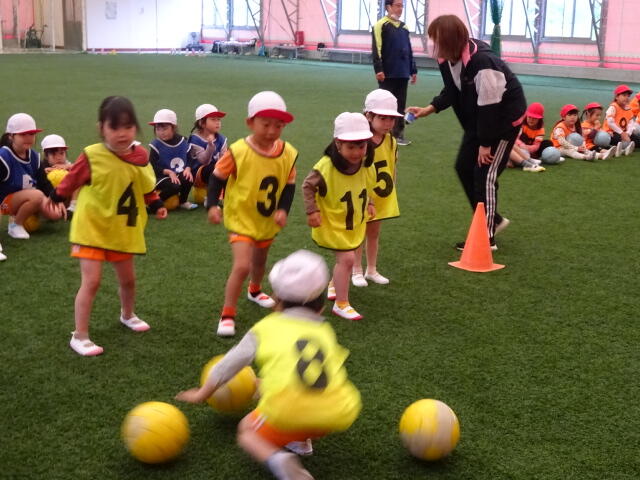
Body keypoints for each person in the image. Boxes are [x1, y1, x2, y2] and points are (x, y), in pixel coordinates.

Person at [176, 249, 361, 480]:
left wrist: (201, 394)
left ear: (277, 300)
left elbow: (227, 366)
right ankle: (301, 442)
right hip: (337, 411)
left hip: (289, 412)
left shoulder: (265, 329)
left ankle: (281, 461)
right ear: (320, 307)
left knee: (247, 430)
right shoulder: (323, 330)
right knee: (295, 393)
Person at [46, 96, 167, 356]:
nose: (122, 133)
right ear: (101, 128)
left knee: (129, 280)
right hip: (91, 229)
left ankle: (127, 314)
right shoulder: (92, 155)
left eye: (128, 126)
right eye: (115, 127)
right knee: (92, 282)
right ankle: (79, 335)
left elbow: (146, 187)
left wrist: (157, 205)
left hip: (122, 230)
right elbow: (71, 180)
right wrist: (56, 197)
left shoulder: (140, 157)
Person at [406, 15, 526, 251]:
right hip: (478, 121)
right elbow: (452, 89)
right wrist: (429, 108)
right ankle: (493, 220)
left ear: (450, 40)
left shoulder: (482, 62)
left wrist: (485, 144)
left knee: (485, 174)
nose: (432, 44)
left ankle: (486, 237)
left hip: (502, 122)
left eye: (436, 39)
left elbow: (490, 106)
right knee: (463, 167)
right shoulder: (446, 59)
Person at [207, 91, 297, 337]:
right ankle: (227, 314)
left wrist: (283, 210)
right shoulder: (238, 151)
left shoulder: (288, 153)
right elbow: (217, 178)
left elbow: (289, 186)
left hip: (266, 219)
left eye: (278, 126)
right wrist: (212, 205)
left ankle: (255, 290)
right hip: (241, 219)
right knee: (242, 266)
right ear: (250, 123)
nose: (271, 131)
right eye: (265, 124)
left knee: (260, 260)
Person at [302, 112, 375, 321]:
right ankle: (341, 304)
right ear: (338, 144)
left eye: (361, 146)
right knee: (348, 259)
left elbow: (367, 185)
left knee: (346, 258)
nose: (357, 152)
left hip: (353, 222)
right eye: (351, 147)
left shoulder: (365, 164)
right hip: (333, 223)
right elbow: (307, 186)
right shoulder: (326, 166)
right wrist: (312, 210)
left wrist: (370, 202)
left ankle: (335, 284)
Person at [352, 89, 402, 287]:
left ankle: (371, 269)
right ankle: (356, 270)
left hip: (380, 197)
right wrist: (365, 198)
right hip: (362, 197)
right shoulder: (361, 143)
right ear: (368, 116)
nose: (388, 123)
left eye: (391, 119)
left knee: (374, 234)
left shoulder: (391, 141)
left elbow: (392, 166)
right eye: (383, 118)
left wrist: (392, 187)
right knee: (358, 233)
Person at [0, 113, 64, 240]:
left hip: (25, 197)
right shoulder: (3, 157)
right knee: (37, 195)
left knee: (55, 213)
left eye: (32, 134)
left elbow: (43, 182)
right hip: (3, 202)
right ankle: (16, 225)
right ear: (11, 136)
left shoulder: (34, 156)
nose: (29, 138)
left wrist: (56, 198)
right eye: (23, 134)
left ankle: (26, 214)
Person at [372, 0, 417, 146]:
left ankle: (397, 135)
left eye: (402, 6)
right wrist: (378, 69)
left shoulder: (404, 27)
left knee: (400, 105)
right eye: (397, 5)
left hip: (403, 73)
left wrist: (413, 70)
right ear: (388, 7)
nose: (400, 8)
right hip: (387, 73)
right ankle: (379, 132)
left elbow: (409, 50)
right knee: (384, 105)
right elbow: (376, 48)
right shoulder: (381, 25)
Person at [148, 108, 198, 211]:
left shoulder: (184, 141)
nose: (161, 132)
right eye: (158, 129)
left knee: (188, 177)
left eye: (165, 129)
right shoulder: (156, 145)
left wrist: (188, 168)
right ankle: (153, 205)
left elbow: (190, 158)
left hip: (177, 174)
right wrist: (168, 172)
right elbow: (152, 167)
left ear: (174, 127)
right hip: (160, 177)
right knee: (174, 186)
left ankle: (183, 201)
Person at [189, 103, 228, 199]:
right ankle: (212, 198)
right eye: (213, 119)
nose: (217, 122)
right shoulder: (195, 140)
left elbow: (223, 159)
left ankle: (227, 196)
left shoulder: (221, 139)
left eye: (218, 119)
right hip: (198, 175)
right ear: (201, 123)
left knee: (228, 167)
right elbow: (204, 161)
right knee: (213, 168)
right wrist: (210, 146)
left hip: (216, 171)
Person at [41, 134, 79, 215]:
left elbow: (80, 169)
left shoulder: (67, 165)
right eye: (53, 154)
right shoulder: (42, 167)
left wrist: (68, 167)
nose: (58, 157)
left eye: (61, 153)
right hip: (51, 201)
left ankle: (73, 207)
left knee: (78, 176)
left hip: (67, 200)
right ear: (46, 156)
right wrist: (43, 173)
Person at [603, 84, 638, 157]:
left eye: (628, 96)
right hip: (612, 132)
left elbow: (631, 123)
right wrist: (622, 133)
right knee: (616, 138)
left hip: (624, 132)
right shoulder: (613, 107)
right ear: (617, 97)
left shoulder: (628, 108)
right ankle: (614, 148)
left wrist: (628, 133)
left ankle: (625, 147)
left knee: (636, 139)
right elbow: (610, 122)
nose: (626, 98)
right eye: (624, 95)